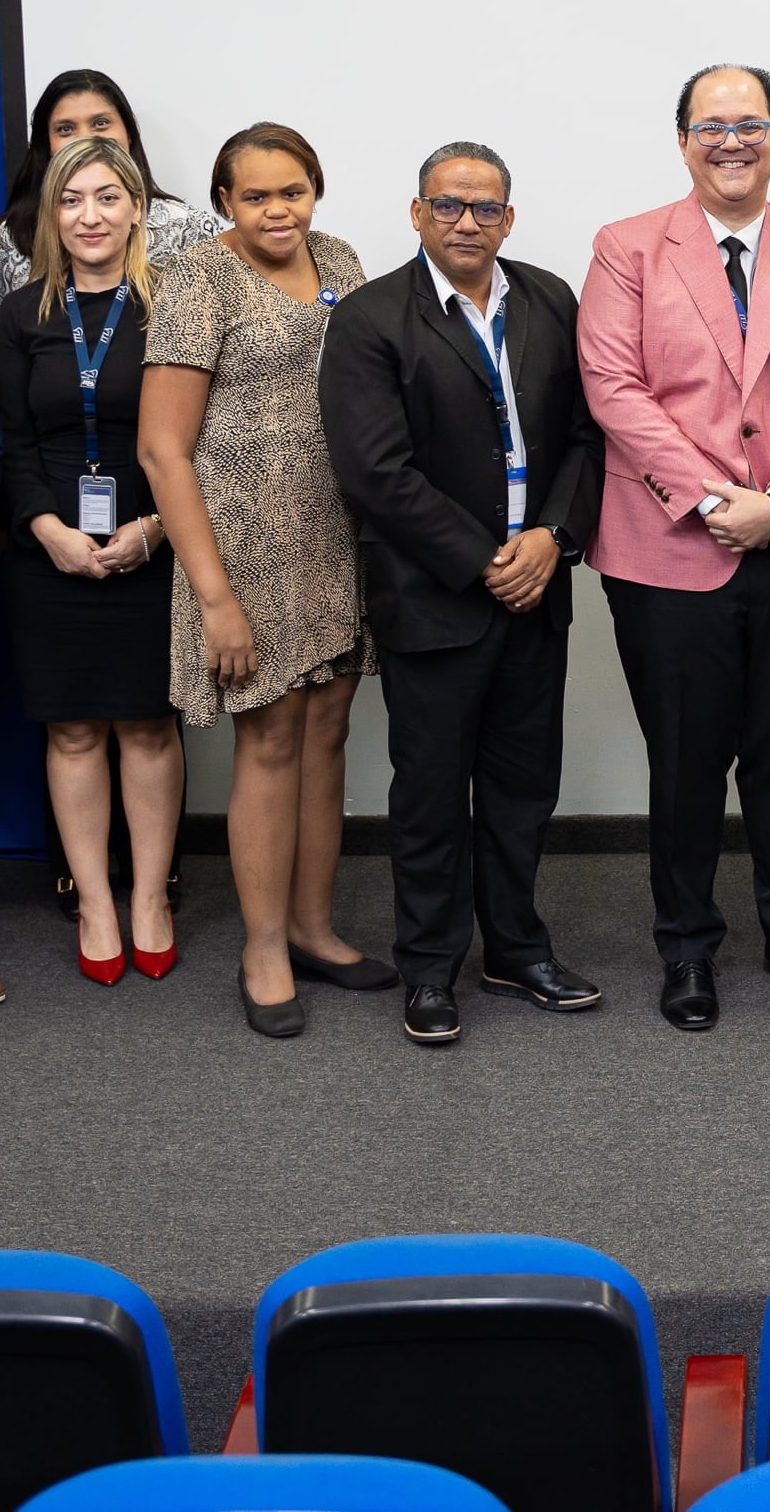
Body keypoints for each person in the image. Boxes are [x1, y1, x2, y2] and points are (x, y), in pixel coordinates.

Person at [578, 64, 770, 1032]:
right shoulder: (627, 249)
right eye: (711, 125)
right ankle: (688, 946)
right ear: (682, 141)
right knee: (686, 761)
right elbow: (615, 389)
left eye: (750, 124)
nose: (731, 140)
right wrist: (717, 502)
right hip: (669, 552)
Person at [321, 142, 608, 1048]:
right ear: (416, 214)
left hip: (538, 587)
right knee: (433, 794)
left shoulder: (552, 298)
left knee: (523, 788)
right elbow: (374, 471)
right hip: (439, 596)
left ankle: (517, 949)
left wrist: (553, 539)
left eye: (485, 209)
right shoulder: (371, 319)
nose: (467, 223)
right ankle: (431, 967)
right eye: (447, 206)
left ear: (510, 220)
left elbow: (586, 437)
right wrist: (486, 557)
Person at [139, 122, 386, 1039]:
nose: (278, 210)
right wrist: (214, 597)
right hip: (241, 545)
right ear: (223, 203)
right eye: (256, 196)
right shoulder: (199, 278)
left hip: (336, 533)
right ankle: (263, 946)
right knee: (271, 741)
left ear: (315, 192)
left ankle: (315, 927)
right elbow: (162, 449)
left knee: (329, 732)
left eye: (293, 190)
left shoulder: (342, 257)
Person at [0, 136, 183, 988]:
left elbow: (199, 440)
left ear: (138, 207)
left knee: (145, 723)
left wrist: (153, 528)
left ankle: (149, 898)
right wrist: (45, 528)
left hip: (153, 539)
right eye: (72, 200)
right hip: (47, 554)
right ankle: (96, 900)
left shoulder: (174, 305)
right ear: (52, 217)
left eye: (107, 197)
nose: (90, 215)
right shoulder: (21, 312)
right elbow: (7, 439)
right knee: (70, 728)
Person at [0, 68, 229, 299]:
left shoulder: (187, 227)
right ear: (46, 144)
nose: (86, 138)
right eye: (66, 129)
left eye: (100, 123)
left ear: (129, 133)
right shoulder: (6, 238)